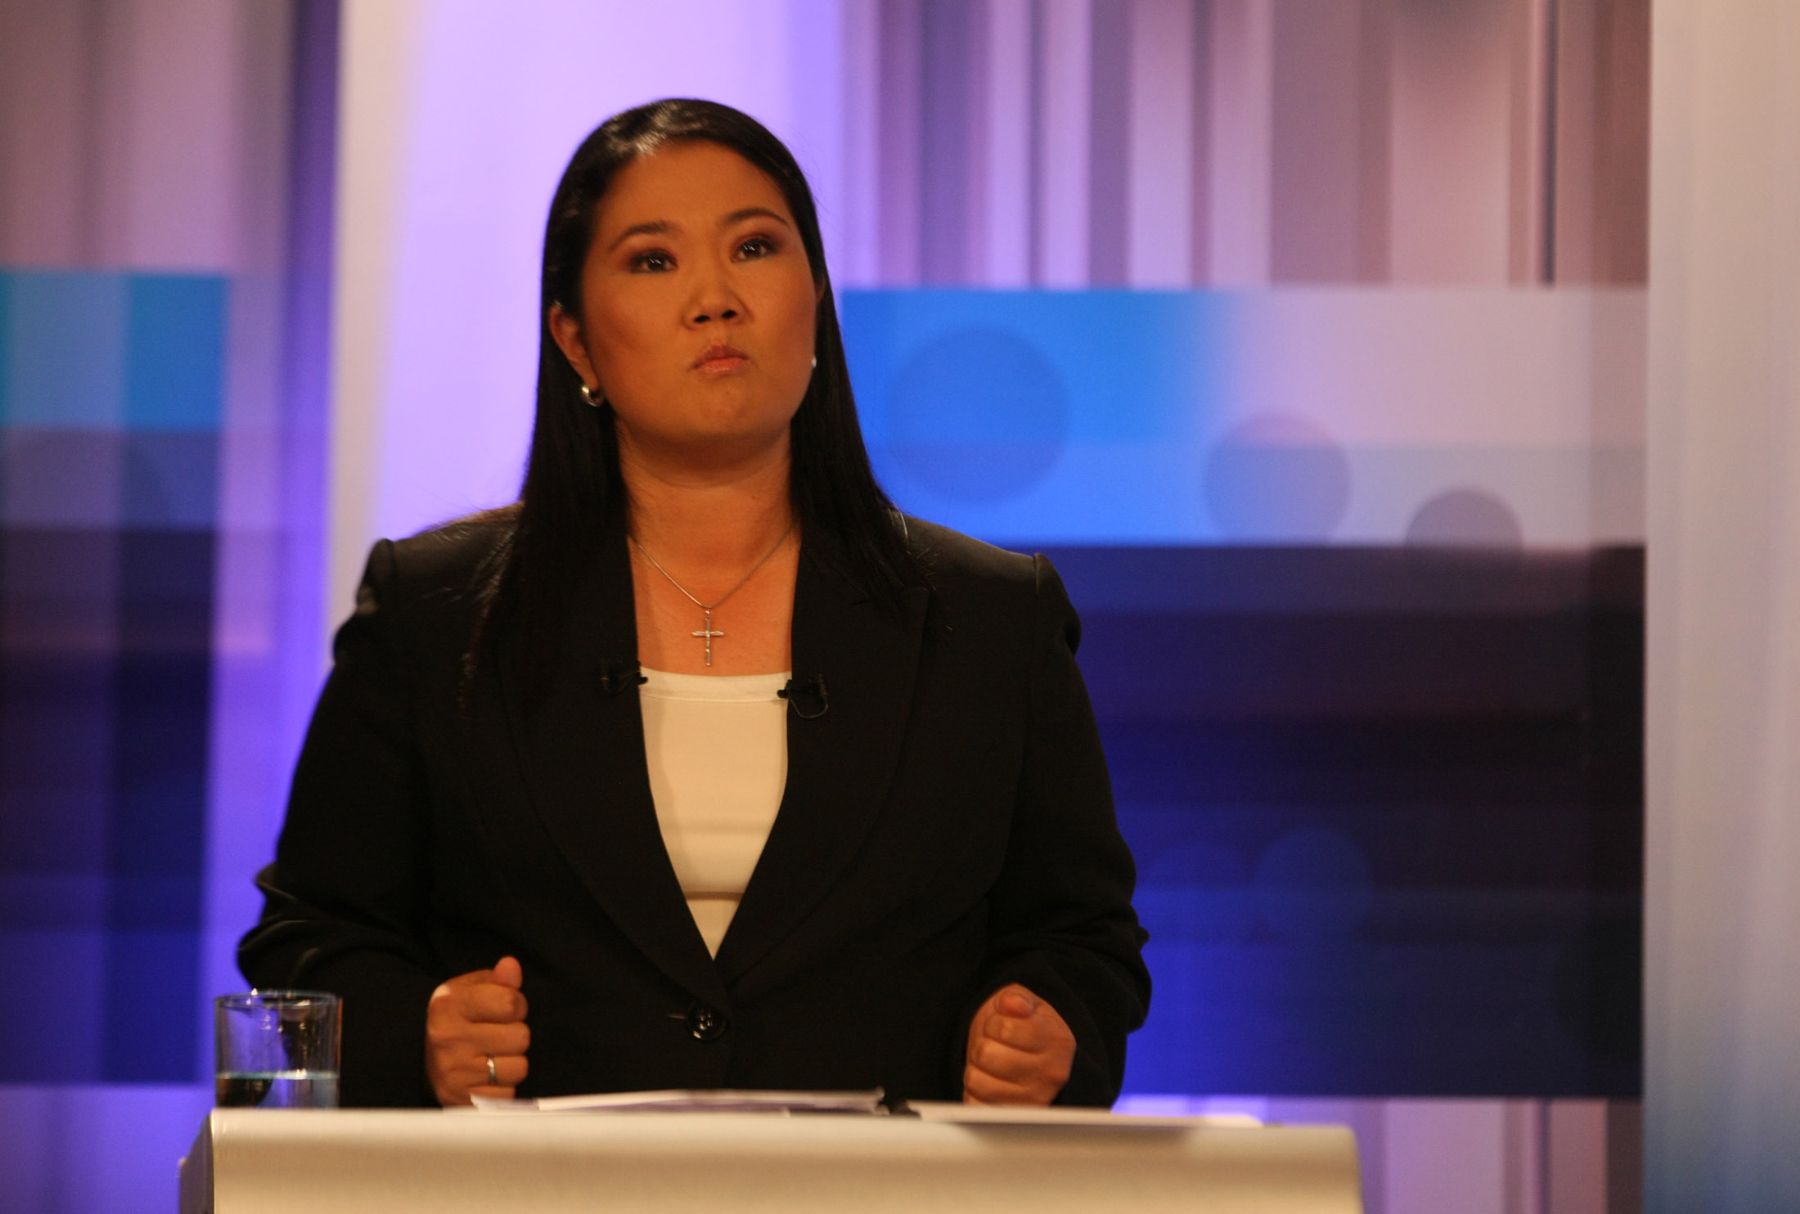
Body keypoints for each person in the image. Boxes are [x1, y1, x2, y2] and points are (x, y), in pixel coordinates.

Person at [240, 98, 1149, 1109]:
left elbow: (1082, 938)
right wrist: (417, 1032)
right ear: (576, 341)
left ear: (815, 297)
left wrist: (1047, 1030)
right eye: (654, 261)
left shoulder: (991, 619)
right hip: (542, 1179)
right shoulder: (434, 613)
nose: (715, 299)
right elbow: (311, 936)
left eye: (754, 247)